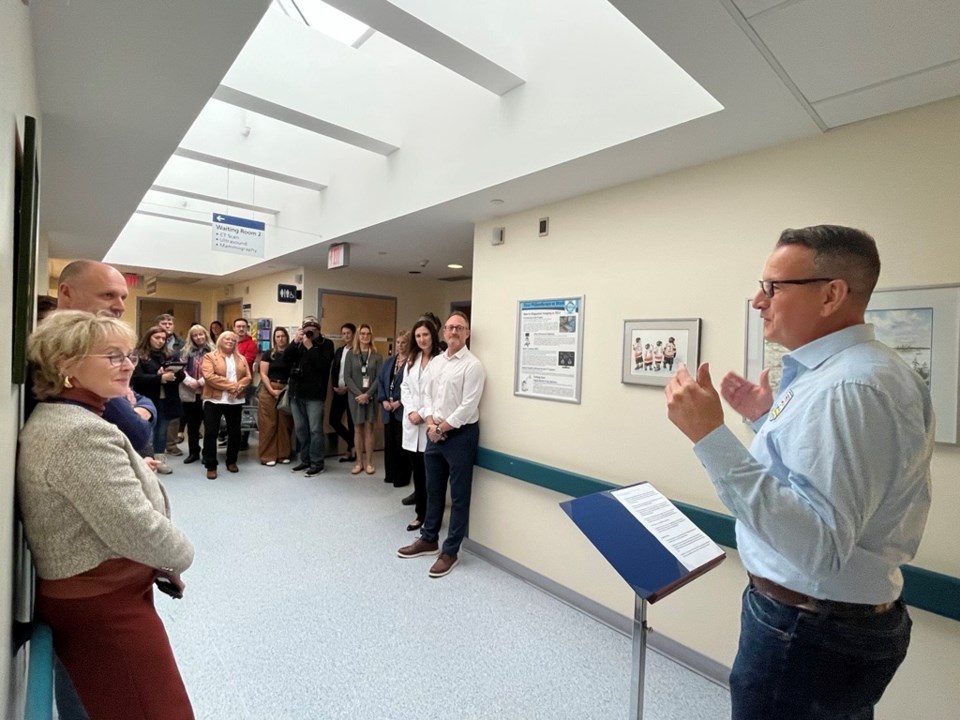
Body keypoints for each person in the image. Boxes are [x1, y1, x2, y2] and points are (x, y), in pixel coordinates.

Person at [664, 225, 934, 720]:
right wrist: (766, 419)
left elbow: (818, 547)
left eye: (772, 287)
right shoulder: (861, 373)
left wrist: (710, 437)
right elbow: (826, 483)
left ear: (831, 294)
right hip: (825, 624)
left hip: (809, 631)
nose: (756, 301)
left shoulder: (849, 388)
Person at [18, 310, 195, 719]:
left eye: (128, 354)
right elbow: (136, 528)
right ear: (66, 366)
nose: (128, 364)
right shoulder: (78, 432)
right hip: (104, 609)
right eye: (112, 356)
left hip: (106, 593)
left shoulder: (77, 417)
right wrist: (182, 554)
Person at [45, 259, 156, 720]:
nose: (118, 304)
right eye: (108, 295)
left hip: (111, 561)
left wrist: (136, 404)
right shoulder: (61, 354)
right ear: (66, 295)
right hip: (87, 576)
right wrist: (136, 409)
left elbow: (136, 404)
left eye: (123, 298)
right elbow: (136, 428)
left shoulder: (93, 353)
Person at [397, 311, 485, 578]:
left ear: (467, 333)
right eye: (449, 327)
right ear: (444, 332)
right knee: (433, 490)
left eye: (459, 327)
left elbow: (468, 406)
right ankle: (429, 538)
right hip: (434, 432)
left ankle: (450, 551)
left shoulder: (473, 365)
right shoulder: (436, 362)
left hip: (460, 436)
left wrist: (441, 427)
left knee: (458, 497)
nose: (454, 332)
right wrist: (432, 424)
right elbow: (428, 395)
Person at [400, 319, 441, 531]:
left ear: (433, 335)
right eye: (418, 336)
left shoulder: (441, 360)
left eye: (425, 335)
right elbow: (404, 387)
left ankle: (432, 517)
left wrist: (423, 414)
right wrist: (411, 411)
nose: (422, 339)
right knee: (418, 472)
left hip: (429, 424)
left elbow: (438, 394)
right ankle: (420, 514)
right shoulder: (412, 359)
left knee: (431, 477)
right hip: (412, 423)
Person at [283, 318, 334, 476]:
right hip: (296, 393)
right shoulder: (299, 343)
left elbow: (323, 366)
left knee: (315, 430)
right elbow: (286, 359)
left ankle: (317, 462)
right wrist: (294, 342)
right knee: (301, 429)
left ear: (318, 330)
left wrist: (310, 347)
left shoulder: (326, 344)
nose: (310, 332)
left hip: (314, 395)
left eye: (313, 329)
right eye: (307, 329)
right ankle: (304, 460)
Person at [130, 326, 185, 475]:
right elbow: (137, 378)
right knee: (145, 431)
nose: (161, 341)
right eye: (157, 338)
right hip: (147, 399)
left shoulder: (170, 355)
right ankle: (143, 461)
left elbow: (182, 376)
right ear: (148, 337)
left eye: (163, 339)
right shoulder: (139, 355)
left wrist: (172, 374)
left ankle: (159, 460)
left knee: (161, 431)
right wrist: (159, 377)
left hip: (166, 399)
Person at [200, 331, 251, 479]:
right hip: (214, 400)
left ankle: (231, 461)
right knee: (211, 433)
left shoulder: (241, 358)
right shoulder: (210, 357)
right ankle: (211, 465)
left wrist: (238, 388)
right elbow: (209, 377)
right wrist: (231, 386)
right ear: (220, 341)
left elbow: (248, 377)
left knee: (234, 432)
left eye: (233, 340)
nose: (230, 341)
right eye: (227, 339)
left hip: (235, 400)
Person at [344, 324, 383, 475]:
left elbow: (379, 378)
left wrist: (368, 394)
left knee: (369, 429)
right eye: (362, 334)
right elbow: (347, 377)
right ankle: (359, 462)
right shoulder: (350, 355)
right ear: (358, 336)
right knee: (357, 429)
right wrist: (358, 394)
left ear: (371, 336)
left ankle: (369, 463)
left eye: (368, 334)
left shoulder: (377, 356)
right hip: (355, 398)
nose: (365, 336)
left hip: (371, 398)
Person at [378, 330, 411, 487]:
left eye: (403, 342)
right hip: (387, 409)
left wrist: (399, 402)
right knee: (389, 443)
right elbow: (381, 381)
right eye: (398, 342)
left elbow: (413, 387)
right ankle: (389, 475)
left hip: (402, 409)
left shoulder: (412, 363)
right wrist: (383, 400)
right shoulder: (389, 361)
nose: (400, 345)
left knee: (401, 445)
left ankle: (401, 478)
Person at [258, 326, 295, 467]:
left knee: (285, 423)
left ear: (287, 337)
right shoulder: (269, 354)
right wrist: (272, 391)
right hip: (269, 389)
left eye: (283, 336)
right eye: (278, 336)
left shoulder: (291, 354)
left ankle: (283, 454)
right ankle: (268, 456)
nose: (281, 339)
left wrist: (284, 389)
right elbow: (263, 374)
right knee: (269, 423)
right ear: (274, 339)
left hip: (286, 389)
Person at [179, 324, 214, 464]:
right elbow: (180, 369)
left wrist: (201, 381)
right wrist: (189, 381)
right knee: (192, 426)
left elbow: (216, 370)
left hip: (208, 392)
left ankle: (208, 453)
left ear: (205, 335)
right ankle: (194, 452)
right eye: (195, 335)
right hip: (190, 392)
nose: (199, 337)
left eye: (201, 334)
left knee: (209, 426)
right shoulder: (184, 351)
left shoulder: (213, 351)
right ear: (191, 337)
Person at [157, 313, 186, 456]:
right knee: (158, 417)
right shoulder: (151, 341)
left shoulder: (181, 343)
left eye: (170, 324)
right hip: (156, 384)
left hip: (175, 383)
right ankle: (156, 447)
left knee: (174, 416)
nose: (168, 326)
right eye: (164, 324)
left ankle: (172, 444)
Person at [329, 322, 357, 463]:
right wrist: (335, 386)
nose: (346, 336)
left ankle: (351, 451)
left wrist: (347, 387)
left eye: (348, 333)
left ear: (353, 334)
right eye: (344, 333)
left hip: (351, 392)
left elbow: (357, 374)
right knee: (333, 420)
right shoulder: (340, 350)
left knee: (352, 423)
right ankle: (353, 444)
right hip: (337, 391)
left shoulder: (357, 351)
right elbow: (335, 369)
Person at [232, 318, 258, 451]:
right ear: (234, 328)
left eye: (243, 327)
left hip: (244, 382)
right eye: (238, 327)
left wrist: (230, 361)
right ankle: (229, 437)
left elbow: (246, 361)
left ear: (247, 328)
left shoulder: (251, 344)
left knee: (244, 410)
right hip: (229, 382)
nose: (241, 329)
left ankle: (243, 440)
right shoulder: (230, 341)